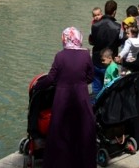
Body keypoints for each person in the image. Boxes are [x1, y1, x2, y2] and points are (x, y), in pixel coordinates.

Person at [36, 27, 96, 167]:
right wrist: (80, 84)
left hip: (62, 98)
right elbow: (91, 76)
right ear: (78, 38)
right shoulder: (86, 55)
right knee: (82, 129)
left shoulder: (60, 56)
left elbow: (51, 78)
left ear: (64, 38)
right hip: (81, 97)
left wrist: (38, 85)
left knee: (60, 130)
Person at [89, 0, 121, 95]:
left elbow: (92, 41)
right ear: (114, 12)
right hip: (109, 63)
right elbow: (120, 43)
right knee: (110, 91)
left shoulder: (94, 25)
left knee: (96, 91)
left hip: (96, 61)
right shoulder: (118, 27)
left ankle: (96, 108)